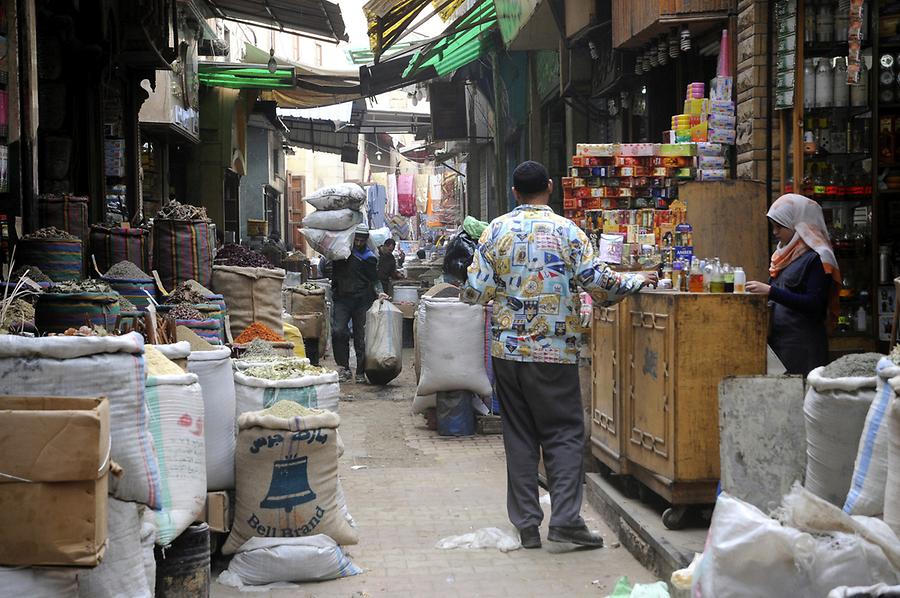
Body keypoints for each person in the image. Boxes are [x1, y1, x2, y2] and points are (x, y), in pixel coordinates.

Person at [460, 161, 656, 549]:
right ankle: (566, 521)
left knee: (518, 436)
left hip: (508, 353)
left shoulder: (495, 231)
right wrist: (638, 279)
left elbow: (475, 291)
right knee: (564, 434)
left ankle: (528, 526)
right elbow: (600, 285)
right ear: (550, 188)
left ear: (514, 192)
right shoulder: (568, 231)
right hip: (554, 352)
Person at [746, 193, 840, 376]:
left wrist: (770, 291)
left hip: (803, 349)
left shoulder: (818, 259)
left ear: (799, 226)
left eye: (779, 227)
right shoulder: (785, 256)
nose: (775, 232)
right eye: (773, 227)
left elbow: (814, 305)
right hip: (780, 344)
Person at [330, 224, 382, 383]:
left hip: (362, 300)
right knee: (338, 332)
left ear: (366, 240)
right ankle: (343, 368)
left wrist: (380, 291)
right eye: (356, 239)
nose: (359, 242)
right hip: (342, 299)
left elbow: (375, 280)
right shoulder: (341, 253)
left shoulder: (369, 258)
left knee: (362, 337)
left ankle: (360, 371)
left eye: (362, 240)